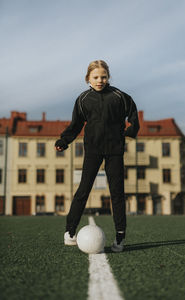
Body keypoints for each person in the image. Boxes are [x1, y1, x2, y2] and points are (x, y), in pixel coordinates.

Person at [55, 60, 140, 252]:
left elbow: (133, 115)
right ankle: (69, 232)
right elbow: (76, 125)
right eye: (95, 77)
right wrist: (63, 141)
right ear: (88, 79)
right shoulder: (83, 100)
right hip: (92, 150)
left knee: (117, 193)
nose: (99, 80)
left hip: (115, 151)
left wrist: (130, 130)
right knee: (83, 190)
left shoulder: (120, 97)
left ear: (108, 77)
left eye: (103, 77)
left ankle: (120, 237)